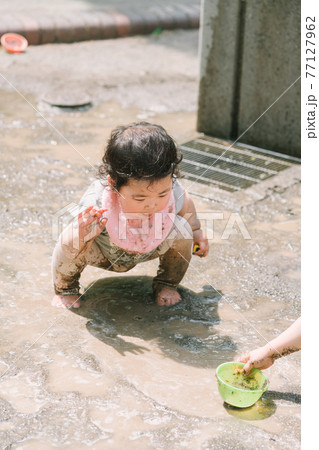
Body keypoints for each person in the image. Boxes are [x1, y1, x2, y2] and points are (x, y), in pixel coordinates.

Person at [52, 122, 209, 309]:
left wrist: (197, 230)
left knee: (182, 228)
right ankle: (66, 289)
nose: (153, 204)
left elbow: (185, 202)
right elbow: (73, 242)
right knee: (71, 238)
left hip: (149, 247)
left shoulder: (171, 189)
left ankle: (167, 284)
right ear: (113, 184)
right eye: (140, 197)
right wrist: (83, 231)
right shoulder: (98, 202)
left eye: (161, 194)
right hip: (104, 253)